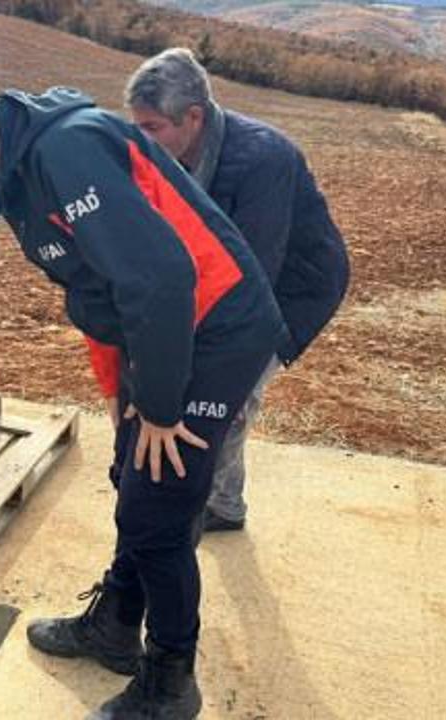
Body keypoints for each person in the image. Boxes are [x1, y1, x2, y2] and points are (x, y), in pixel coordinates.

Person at [0, 46, 290, 719]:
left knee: (159, 508)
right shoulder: (19, 181)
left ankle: (170, 684)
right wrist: (121, 398)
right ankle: (117, 627)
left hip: (216, 329)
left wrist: (156, 406)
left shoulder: (66, 153)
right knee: (133, 478)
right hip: (163, 328)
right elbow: (97, 295)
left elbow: (160, 280)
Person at [127, 48, 350, 534]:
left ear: (193, 116)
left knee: (226, 392)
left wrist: (188, 346)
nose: (140, 140)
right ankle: (225, 502)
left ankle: (219, 505)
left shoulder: (262, 159)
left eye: (151, 128)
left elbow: (252, 278)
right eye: (136, 126)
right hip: (235, 277)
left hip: (293, 287)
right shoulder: (171, 153)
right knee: (207, 382)